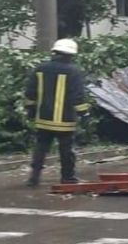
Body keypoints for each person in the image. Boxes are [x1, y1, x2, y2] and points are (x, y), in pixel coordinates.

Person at [25, 39, 89, 186]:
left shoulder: (40, 69)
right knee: (66, 150)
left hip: (43, 118)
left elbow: (30, 93)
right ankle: (67, 178)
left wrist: (31, 110)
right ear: (70, 55)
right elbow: (77, 96)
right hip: (65, 120)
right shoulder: (73, 71)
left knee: (41, 148)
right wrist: (83, 113)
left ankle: (34, 178)